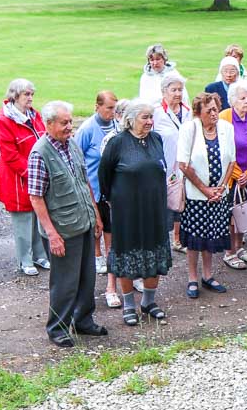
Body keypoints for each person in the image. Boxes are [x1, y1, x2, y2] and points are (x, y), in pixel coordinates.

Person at [28, 101, 106, 347]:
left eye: (70, 121)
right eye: (64, 123)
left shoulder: (71, 144)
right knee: (64, 283)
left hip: (83, 222)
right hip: (62, 230)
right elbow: (36, 198)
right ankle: (58, 328)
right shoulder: (39, 154)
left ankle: (83, 321)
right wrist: (52, 234)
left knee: (87, 278)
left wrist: (96, 216)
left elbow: (85, 182)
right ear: (49, 124)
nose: (70, 126)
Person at [99, 100, 172, 326]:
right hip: (127, 211)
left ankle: (148, 302)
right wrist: (114, 200)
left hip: (154, 208)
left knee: (154, 251)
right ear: (130, 120)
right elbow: (104, 176)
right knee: (126, 255)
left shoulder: (156, 139)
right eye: (145, 117)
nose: (150, 121)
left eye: (151, 117)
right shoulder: (117, 142)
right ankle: (129, 305)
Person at [176, 92, 235, 299]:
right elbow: (183, 165)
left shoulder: (226, 128)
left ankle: (207, 275)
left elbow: (231, 161)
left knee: (211, 236)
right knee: (195, 239)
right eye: (209, 110)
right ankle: (192, 278)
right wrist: (205, 190)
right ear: (198, 112)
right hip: (196, 196)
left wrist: (221, 187)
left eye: (216, 109)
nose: (214, 113)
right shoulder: (189, 129)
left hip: (219, 195)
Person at [0, 78, 50, 276]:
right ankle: (24, 260)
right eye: (26, 94)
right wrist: (31, 172)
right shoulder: (5, 121)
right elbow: (9, 155)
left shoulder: (34, 115)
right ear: (15, 96)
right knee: (23, 220)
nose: (30, 98)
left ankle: (40, 255)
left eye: (32, 94)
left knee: (38, 215)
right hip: (17, 180)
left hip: (35, 175)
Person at [75, 90, 121, 301]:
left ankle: (110, 261)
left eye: (115, 108)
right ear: (97, 107)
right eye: (109, 108)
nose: (113, 112)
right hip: (93, 188)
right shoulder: (87, 129)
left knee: (110, 229)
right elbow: (77, 158)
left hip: (112, 189)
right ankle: (97, 255)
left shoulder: (117, 126)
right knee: (96, 226)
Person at [219, 81, 247, 270]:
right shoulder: (224, 118)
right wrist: (238, 174)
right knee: (231, 215)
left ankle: (239, 246)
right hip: (230, 176)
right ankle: (229, 252)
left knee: (244, 211)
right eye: (242, 98)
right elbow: (223, 151)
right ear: (233, 100)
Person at [153, 71, 191, 252]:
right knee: (162, 202)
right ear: (164, 91)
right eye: (174, 90)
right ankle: (160, 240)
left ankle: (178, 239)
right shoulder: (156, 112)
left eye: (180, 89)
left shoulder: (188, 111)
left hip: (183, 164)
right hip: (164, 165)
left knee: (181, 200)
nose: (177, 93)